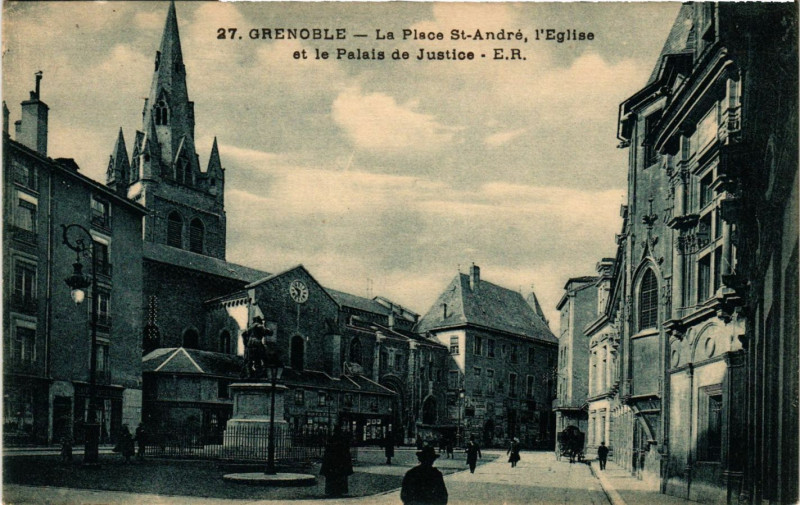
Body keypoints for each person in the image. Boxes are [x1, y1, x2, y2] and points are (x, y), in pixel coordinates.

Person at [320, 428, 354, 497]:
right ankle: (340, 490)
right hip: (341, 464)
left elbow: (327, 453)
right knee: (340, 477)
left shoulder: (331, 440)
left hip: (332, 464)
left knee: (332, 477)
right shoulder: (343, 441)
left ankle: (331, 490)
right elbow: (346, 453)